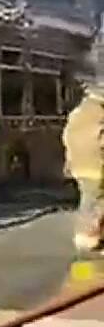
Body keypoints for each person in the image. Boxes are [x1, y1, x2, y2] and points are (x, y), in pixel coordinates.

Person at [63, 43, 104, 256]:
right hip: (95, 166)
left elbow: (67, 137)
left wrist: (69, 161)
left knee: (90, 200)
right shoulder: (99, 114)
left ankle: (88, 236)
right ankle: (89, 238)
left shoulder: (79, 113)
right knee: (95, 201)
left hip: (80, 165)